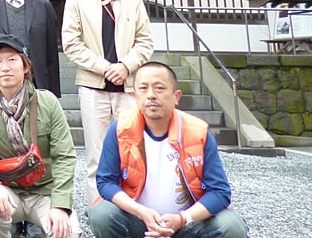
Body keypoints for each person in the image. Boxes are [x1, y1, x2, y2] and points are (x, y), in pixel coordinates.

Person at [89, 61, 248, 238]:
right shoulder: (120, 130)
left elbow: (220, 192)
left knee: (231, 225)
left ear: (176, 96)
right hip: (138, 222)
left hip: (186, 224)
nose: (151, 95)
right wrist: (142, 212)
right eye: (143, 88)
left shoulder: (198, 133)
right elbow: (105, 182)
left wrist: (182, 219)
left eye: (159, 88)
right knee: (101, 213)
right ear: (134, 95)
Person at [61, 0, 154, 205]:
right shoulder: (76, 0)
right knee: (97, 153)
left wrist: (125, 66)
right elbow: (71, 43)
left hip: (128, 85)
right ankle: (99, 212)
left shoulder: (132, 0)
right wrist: (105, 68)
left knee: (133, 149)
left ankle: (136, 207)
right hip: (93, 87)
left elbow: (145, 41)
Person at [0, 34, 80, 238]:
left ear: (25, 66)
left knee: (68, 231)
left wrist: (61, 204)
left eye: (12, 60)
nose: (5, 67)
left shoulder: (47, 102)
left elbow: (65, 156)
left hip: (45, 190)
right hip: (7, 190)